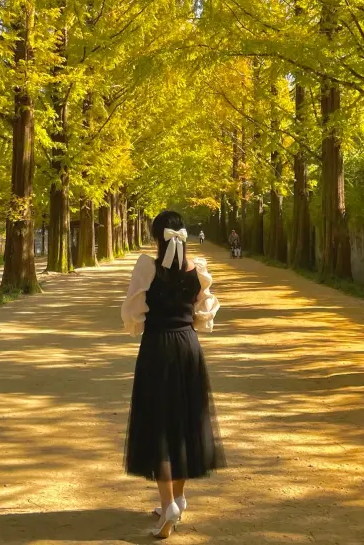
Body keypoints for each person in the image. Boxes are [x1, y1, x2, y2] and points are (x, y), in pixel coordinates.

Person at [121, 210, 225, 539]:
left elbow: (132, 316)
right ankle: (178, 497)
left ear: (156, 237)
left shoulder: (147, 268)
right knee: (185, 423)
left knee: (158, 425)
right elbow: (202, 315)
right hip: (188, 348)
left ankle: (168, 504)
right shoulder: (197, 270)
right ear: (184, 234)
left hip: (156, 349)